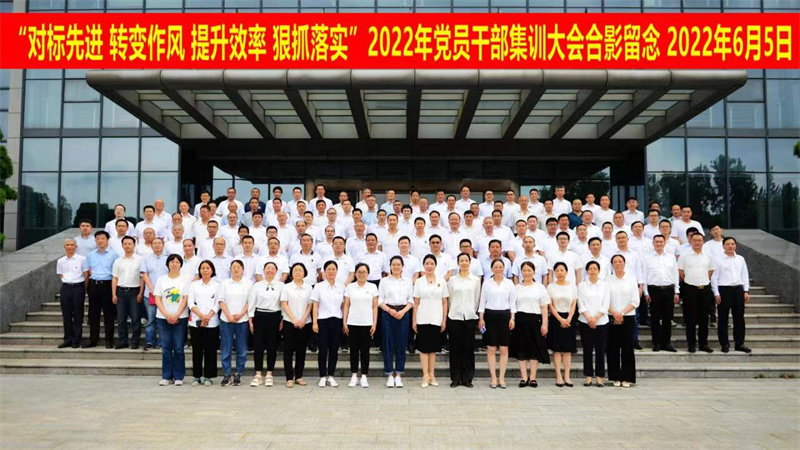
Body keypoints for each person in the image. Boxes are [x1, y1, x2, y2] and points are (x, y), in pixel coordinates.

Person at [511, 261, 551, 388]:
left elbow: (544, 307)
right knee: (521, 349)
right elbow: (512, 306)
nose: (526, 273)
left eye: (529, 270)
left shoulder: (540, 287)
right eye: (524, 270)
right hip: (520, 320)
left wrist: (545, 324)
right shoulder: (516, 288)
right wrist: (512, 319)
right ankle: (524, 377)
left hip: (535, 320)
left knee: (534, 350)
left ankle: (533, 378)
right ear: (521, 272)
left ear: (534, 272)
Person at [153, 254, 191, 386]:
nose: (174, 264)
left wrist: (176, 315)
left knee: (179, 348)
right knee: (166, 348)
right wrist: (167, 314)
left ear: (181, 265)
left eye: (177, 262)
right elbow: (157, 298)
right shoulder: (161, 280)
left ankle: (179, 376)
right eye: (172, 262)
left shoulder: (185, 280)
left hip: (180, 318)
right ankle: (167, 376)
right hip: (163, 318)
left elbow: (185, 299)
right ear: (168, 264)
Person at [478, 259, 516, 389]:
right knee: (491, 348)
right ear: (492, 269)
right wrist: (481, 318)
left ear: (504, 268)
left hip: (505, 316)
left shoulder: (509, 283)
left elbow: (512, 302)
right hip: (490, 316)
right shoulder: (487, 283)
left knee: (504, 348)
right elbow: (482, 302)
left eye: (500, 267)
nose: (498, 269)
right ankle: (493, 377)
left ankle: (502, 378)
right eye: (496, 267)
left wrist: (512, 318)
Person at [413, 254, 449, 388]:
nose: (429, 266)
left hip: (436, 317)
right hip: (422, 317)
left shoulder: (442, 281)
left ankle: (432, 374)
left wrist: (444, 320)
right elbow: (416, 302)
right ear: (423, 265)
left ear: (435, 265)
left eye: (432, 263)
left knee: (433, 348)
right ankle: (425, 375)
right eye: (427, 263)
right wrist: (414, 320)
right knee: (423, 348)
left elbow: (444, 302)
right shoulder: (419, 281)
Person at [378, 256, 414, 388]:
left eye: (398, 264)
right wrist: (390, 310)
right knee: (388, 344)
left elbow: (411, 300)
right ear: (390, 266)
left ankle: (398, 374)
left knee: (401, 343)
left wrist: (403, 311)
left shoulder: (408, 281)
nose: (396, 267)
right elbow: (380, 300)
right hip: (387, 313)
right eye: (394, 264)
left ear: (402, 266)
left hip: (403, 313)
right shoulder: (384, 281)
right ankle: (389, 374)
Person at [678, 233, 717, 353]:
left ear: (703, 241)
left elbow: (710, 271)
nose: (697, 242)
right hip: (690, 289)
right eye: (695, 240)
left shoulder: (708, 255)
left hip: (704, 289)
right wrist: (691, 280)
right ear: (690, 241)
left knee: (704, 318)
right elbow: (681, 272)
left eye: (699, 240)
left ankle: (703, 344)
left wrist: (703, 280)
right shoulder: (685, 255)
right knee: (690, 318)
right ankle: (691, 344)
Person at [446, 253, 481, 388]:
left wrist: (472, 311)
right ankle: (455, 377)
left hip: (470, 317)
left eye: (466, 260)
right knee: (455, 349)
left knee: (468, 349)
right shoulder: (452, 280)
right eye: (461, 261)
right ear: (458, 263)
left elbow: (476, 298)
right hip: (454, 317)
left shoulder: (475, 280)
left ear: (470, 263)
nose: (464, 263)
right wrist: (452, 311)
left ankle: (467, 378)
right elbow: (450, 298)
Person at [247, 261, 284, 387]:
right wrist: (250, 320)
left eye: (272, 268)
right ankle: (258, 374)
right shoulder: (257, 285)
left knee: (272, 345)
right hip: (259, 316)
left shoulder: (281, 286)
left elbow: (283, 304)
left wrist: (282, 319)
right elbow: (251, 303)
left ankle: (269, 373)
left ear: (276, 271)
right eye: (267, 268)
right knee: (258, 346)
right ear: (263, 271)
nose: (270, 270)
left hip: (275, 316)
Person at [712, 237, 751, 353]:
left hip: (738, 290)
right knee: (723, 319)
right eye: (728, 244)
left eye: (732, 244)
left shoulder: (740, 259)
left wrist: (746, 290)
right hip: (724, 290)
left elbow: (745, 275)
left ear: (735, 245)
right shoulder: (717, 259)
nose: (730, 246)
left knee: (739, 318)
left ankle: (739, 343)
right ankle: (724, 344)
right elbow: (714, 277)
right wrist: (716, 292)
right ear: (723, 246)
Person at [343, 263, 379, 388]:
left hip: (367, 323)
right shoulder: (350, 287)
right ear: (355, 273)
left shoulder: (372, 287)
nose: (361, 274)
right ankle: (354, 375)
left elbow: (375, 306)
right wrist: (344, 321)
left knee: (365, 351)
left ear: (368, 274)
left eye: (364, 272)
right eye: (359, 272)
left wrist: (374, 323)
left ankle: (364, 376)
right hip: (352, 323)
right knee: (353, 350)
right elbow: (346, 305)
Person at [218, 260, 253, 386]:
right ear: (230, 270)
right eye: (234, 267)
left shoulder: (248, 283)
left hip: (242, 320)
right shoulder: (225, 283)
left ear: (243, 270)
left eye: (239, 267)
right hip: (226, 319)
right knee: (226, 348)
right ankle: (226, 374)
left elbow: (250, 301)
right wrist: (228, 315)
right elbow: (221, 300)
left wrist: (241, 314)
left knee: (242, 349)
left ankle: (238, 373)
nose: (236, 269)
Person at [279, 263, 314, 387]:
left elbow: (310, 305)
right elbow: (284, 303)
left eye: (300, 270)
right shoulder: (286, 287)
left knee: (301, 351)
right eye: (295, 270)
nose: (298, 272)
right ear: (291, 273)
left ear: (304, 273)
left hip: (304, 323)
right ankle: (289, 378)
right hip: (289, 322)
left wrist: (303, 319)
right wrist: (293, 319)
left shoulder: (309, 288)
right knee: (288, 351)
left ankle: (299, 376)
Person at [311, 260, 346, 388]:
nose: (331, 271)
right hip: (323, 321)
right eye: (328, 269)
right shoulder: (318, 286)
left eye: (333, 269)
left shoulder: (341, 286)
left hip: (337, 320)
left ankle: (331, 375)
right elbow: (315, 305)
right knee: (322, 349)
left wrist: (344, 322)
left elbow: (344, 305)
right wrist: (315, 322)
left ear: (337, 271)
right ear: (324, 272)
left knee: (334, 349)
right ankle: (322, 376)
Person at [643, 235, 680, 352]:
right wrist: (646, 292)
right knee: (655, 318)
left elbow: (675, 275)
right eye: (656, 242)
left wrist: (677, 291)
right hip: (654, 290)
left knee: (667, 318)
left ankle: (666, 343)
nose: (659, 244)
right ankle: (657, 343)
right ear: (653, 243)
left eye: (661, 242)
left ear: (664, 243)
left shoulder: (671, 257)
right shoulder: (647, 258)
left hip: (669, 289)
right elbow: (644, 276)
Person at [186, 261, 220, 386]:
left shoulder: (217, 285)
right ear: (199, 271)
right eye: (203, 268)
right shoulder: (194, 285)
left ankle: (208, 376)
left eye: (207, 268)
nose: (205, 270)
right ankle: (197, 376)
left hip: (212, 322)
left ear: (212, 270)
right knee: (197, 350)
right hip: (196, 321)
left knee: (210, 350)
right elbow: (190, 303)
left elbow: (218, 303)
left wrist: (208, 317)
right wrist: (202, 316)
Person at [607, 255, 639, 388]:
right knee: (613, 347)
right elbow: (604, 300)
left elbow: (635, 301)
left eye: (620, 261)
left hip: (628, 317)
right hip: (611, 316)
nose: (617, 264)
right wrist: (614, 313)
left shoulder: (631, 279)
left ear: (624, 264)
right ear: (612, 265)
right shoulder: (607, 280)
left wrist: (622, 313)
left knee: (627, 347)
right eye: (615, 262)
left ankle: (627, 377)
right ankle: (615, 377)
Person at [577, 261, 610, 387]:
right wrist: (589, 318)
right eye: (590, 268)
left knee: (600, 350)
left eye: (595, 268)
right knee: (587, 349)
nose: (592, 271)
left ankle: (600, 377)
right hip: (585, 322)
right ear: (587, 271)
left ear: (599, 271)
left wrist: (595, 318)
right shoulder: (582, 285)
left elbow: (606, 303)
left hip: (601, 322)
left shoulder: (604, 285)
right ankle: (588, 376)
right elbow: (581, 303)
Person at [83, 230, 118, 349]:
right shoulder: (90, 255)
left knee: (109, 314)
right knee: (93, 314)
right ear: (95, 240)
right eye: (98, 239)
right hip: (94, 285)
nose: (100, 241)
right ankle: (93, 339)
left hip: (107, 285)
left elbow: (116, 273)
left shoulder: (114, 254)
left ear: (107, 240)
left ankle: (109, 340)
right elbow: (88, 271)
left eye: (103, 238)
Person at [111, 236, 144, 349]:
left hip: (134, 291)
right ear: (122, 246)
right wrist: (114, 294)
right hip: (121, 291)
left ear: (134, 245)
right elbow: (115, 278)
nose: (127, 246)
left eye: (130, 244)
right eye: (125, 244)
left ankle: (135, 342)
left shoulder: (140, 260)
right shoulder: (118, 261)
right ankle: (123, 341)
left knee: (135, 319)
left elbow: (143, 278)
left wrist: (140, 293)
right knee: (121, 319)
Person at [56, 238, 87, 349]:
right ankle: (68, 338)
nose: (70, 247)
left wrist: (84, 288)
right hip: (66, 288)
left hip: (78, 287)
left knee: (78, 314)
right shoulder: (60, 261)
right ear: (64, 247)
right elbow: (61, 274)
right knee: (66, 314)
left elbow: (86, 274)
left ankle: (77, 339)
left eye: (72, 245)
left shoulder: (82, 259)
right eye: (67, 245)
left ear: (76, 246)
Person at [141, 238, 168, 350]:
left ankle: (162, 342)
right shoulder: (146, 259)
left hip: (165, 295)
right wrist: (152, 288)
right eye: (155, 243)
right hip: (150, 294)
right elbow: (144, 275)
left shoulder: (168, 259)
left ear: (163, 245)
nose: (157, 245)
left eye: (159, 243)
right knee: (151, 319)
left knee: (163, 319)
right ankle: (150, 341)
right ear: (151, 246)